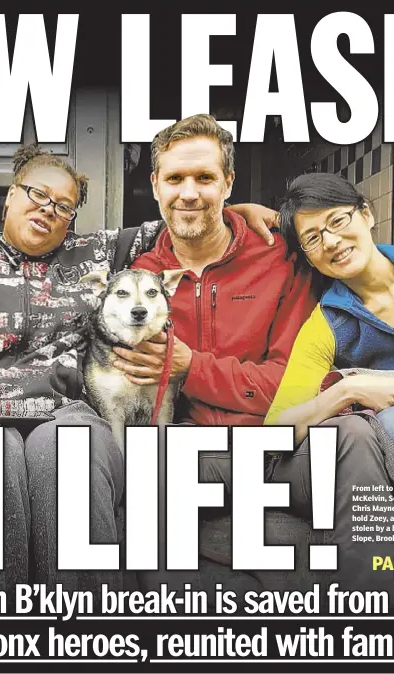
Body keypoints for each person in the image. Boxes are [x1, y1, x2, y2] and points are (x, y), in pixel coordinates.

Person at [0, 143, 279, 597]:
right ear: (9, 195)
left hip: (67, 410)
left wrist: (235, 207)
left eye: (63, 206)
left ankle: (84, 631)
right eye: (37, 194)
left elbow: (183, 218)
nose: (48, 210)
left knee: (67, 459)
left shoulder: (97, 251)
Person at [108, 114, 317, 591]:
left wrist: (190, 366)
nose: (189, 193)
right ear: (155, 184)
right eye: (175, 178)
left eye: (204, 178)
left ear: (228, 182)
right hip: (185, 454)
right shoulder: (139, 280)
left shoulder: (278, 257)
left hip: (281, 446)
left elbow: (297, 382)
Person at [265, 171, 394, 592]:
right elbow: (276, 431)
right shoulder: (325, 326)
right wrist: (346, 390)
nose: (331, 242)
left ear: (366, 215)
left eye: (337, 221)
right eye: (312, 238)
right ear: (308, 257)